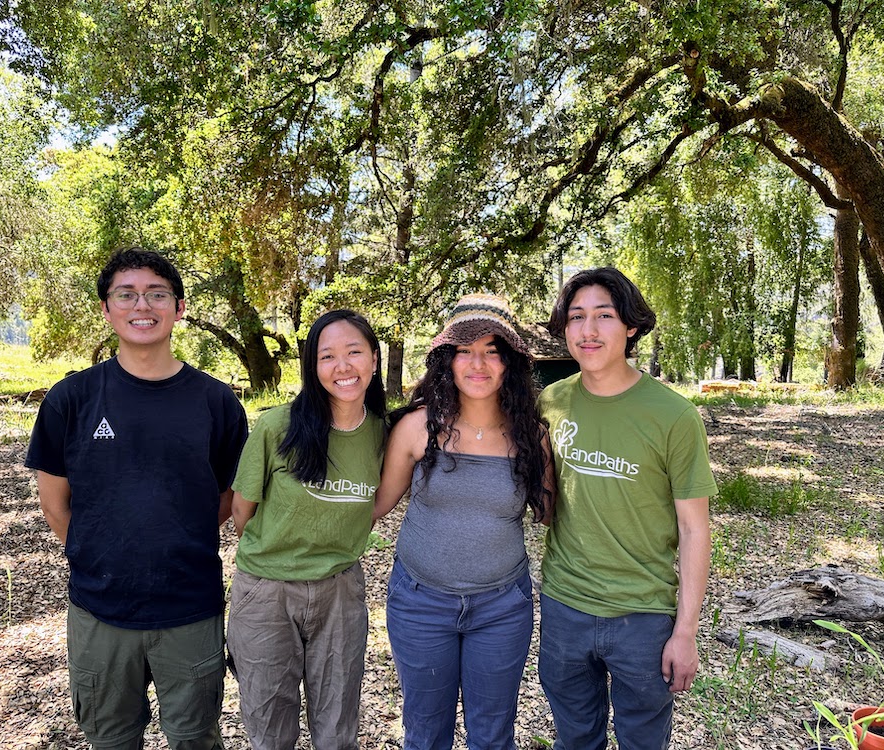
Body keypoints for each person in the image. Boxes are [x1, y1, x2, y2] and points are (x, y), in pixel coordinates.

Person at [25, 247, 249, 750]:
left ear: (179, 306)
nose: (141, 305)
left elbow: (227, 496)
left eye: (156, 294)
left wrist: (173, 539)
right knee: (110, 738)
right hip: (99, 609)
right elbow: (55, 505)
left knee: (195, 737)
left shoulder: (216, 402)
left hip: (190, 607)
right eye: (126, 294)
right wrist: (104, 554)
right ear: (107, 309)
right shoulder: (72, 399)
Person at [537, 268, 716, 750]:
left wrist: (686, 631)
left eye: (604, 316)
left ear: (631, 326)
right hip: (564, 605)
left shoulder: (673, 415)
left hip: (642, 616)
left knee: (643, 740)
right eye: (576, 317)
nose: (588, 331)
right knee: (575, 737)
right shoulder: (551, 402)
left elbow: (695, 530)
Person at [373, 294, 554, 750]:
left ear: (509, 363)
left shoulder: (532, 435)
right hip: (419, 605)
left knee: (492, 735)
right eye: (465, 350)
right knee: (425, 732)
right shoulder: (417, 427)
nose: (479, 363)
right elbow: (373, 505)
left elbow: (552, 513)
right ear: (447, 361)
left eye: (493, 351)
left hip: (501, 609)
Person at [226, 309, 387, 750]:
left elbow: (376, 506)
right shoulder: (276, 427)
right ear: (312, 368)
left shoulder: (384, 435)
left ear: (373, 359)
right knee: (269, 726)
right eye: (327, 356)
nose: (343, 367)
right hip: (266, 592)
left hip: (340, 592)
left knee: (337, 729)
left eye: (354, 352)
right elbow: (243, 511)